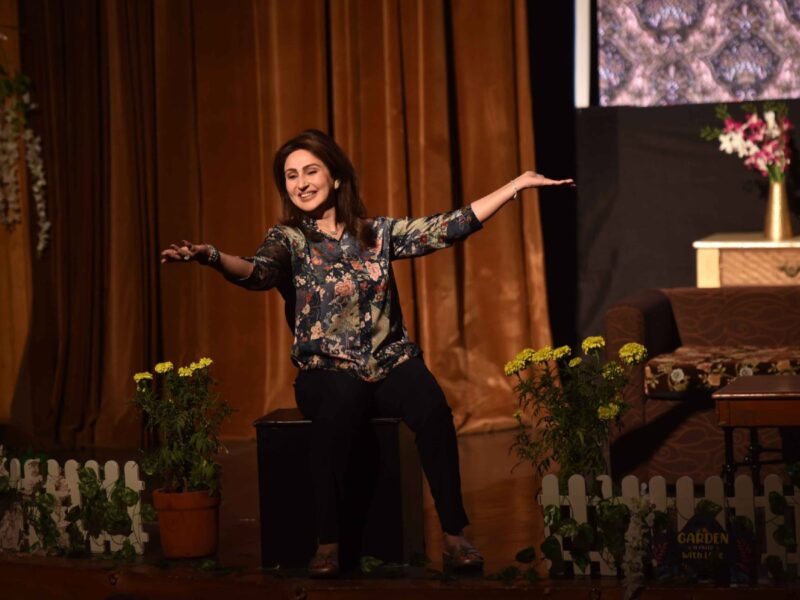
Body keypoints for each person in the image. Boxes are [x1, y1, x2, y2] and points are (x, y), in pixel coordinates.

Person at [161, 129, 573, 577]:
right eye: (291, 176)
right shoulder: (289, 238)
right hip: (325, 369)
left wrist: (516, 185)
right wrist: (212, 256)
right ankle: (328, 542)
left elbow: (447, 227)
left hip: (388, 361)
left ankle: (455, 535)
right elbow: (258, 273)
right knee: (340, 405)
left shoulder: (376, 233)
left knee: (432, 408)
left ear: (335, 176)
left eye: (310, 171)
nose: (301, 183)